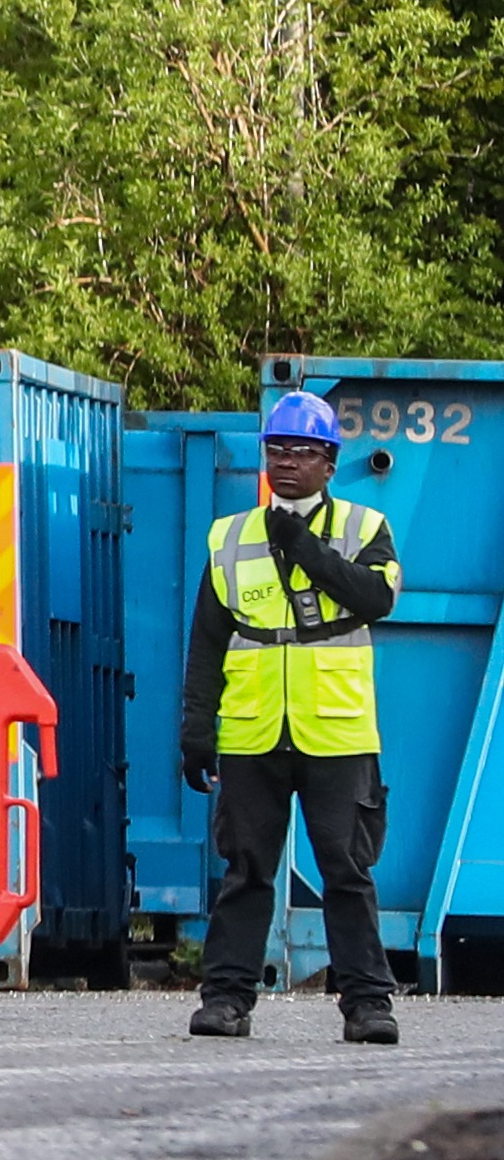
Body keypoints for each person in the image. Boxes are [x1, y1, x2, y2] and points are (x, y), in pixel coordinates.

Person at [183, 390, 404, 1045]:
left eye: (303, 452)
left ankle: (368, 1004)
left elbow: (375, 597)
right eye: (277, 449)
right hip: (251, 730)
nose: (287, 462)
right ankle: (225, 1000)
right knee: (247, 869)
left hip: (336, 730)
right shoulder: (230, 537)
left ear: (330, 462)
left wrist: (305, 548)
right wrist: (196, 725)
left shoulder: (367, 528)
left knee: (345, 868)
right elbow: (206, 640)